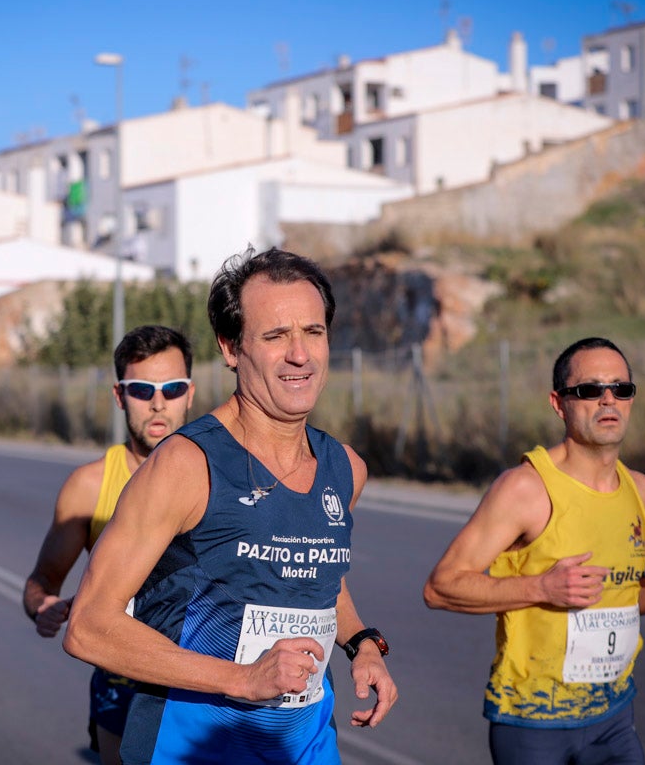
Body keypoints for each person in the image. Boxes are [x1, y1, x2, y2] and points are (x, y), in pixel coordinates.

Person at [64, 248, 397, 765]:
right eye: (274, 336)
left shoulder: (346, 467)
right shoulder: (185, 464)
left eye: (313, 332)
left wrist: (362, 644)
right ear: (231, 347)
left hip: (304, 745)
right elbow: (88, 625)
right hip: (191, 747)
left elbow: (314, 575)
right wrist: (242, 679)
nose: (300, 355)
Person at [423, 337, 645, 764]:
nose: (607, 400)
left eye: (621, 389)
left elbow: (616, 599)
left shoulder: (640, 490)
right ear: (559, 404)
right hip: (533, 723)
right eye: (590, 390)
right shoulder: (525, 488)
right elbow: (440, 588)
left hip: (614, 717)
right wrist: (542, 587)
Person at [23, 324, 197, 765]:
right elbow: (41, 579)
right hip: (122, 683)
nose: (159, 403)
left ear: (190, 394)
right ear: (120, 396)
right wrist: (43, 605)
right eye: (142, 390)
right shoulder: (89, 485)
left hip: (204, 679)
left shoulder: (221, 476)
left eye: (172, 388)